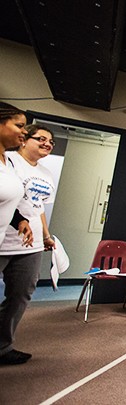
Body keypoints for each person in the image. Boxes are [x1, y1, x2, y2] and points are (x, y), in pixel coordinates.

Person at [0, 102, 35, 365]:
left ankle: (2, 346)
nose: (23, 131)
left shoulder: (7, 162)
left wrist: (20, 220)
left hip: (8, 237)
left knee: (19, 293)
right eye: (19, 126)